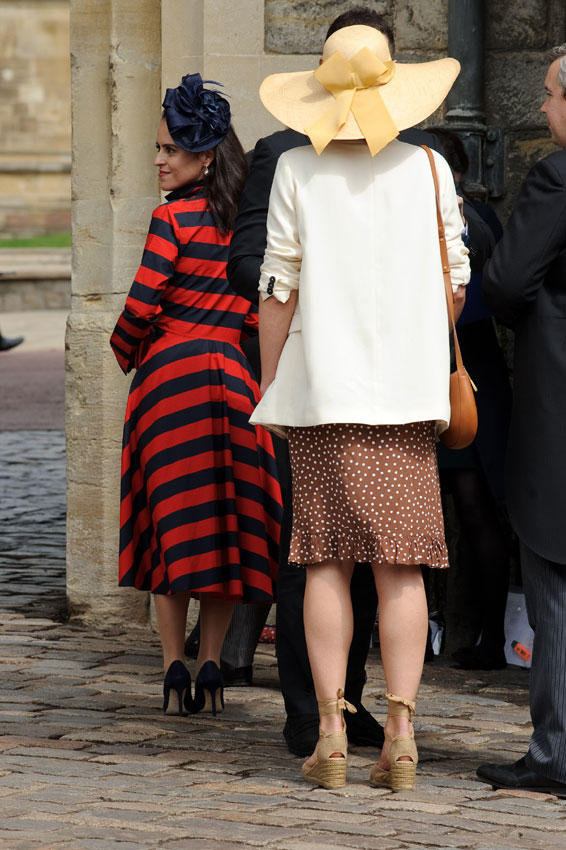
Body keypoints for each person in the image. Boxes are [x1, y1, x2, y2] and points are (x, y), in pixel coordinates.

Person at [250, 24, 469, 790]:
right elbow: (456, 285)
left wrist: (274, 379)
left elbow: (277, 289)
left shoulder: (295, 171)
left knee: (324, 563)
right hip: (407, 399)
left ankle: (334, 731)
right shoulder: (432, 170)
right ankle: (403, 732)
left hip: (322, 396)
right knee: (401, 569)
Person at [110, 73, 282, 719]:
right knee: (223, 529)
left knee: (167, 528)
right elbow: (249, 312)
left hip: (170, 386)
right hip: (233, 387)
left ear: (204, 154)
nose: (158, 161)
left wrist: (130, 351)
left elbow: (139, 306)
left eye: (168, 151)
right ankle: (212, 661)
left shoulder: (170, 218)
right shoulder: (240, 218)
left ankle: (171, 666)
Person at [476, 44, 566, 797]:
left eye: (548, 94)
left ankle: (556, 753)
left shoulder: (559, 174)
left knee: (554, 572)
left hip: (559, 398)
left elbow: (504, 279)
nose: (540, 107)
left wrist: (540, 313)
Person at [430, 128, 512, 671]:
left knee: (474, 507)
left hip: (463, 374)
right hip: (461, 373)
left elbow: (482, 300)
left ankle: (489, 635)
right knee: (456, 509)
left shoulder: (472, 223)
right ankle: (459, 630)